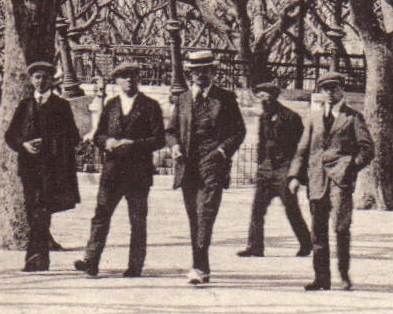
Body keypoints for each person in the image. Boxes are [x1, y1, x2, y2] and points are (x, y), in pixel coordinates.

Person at [75, 62, 165, 278]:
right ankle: (91, 261)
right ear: (116, 81)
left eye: (133, 76)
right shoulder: (111, 105)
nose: (129, 81)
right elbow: (98, 134)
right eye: (124, 77)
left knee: (137, 220)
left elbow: (159, 139)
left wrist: (134, 144)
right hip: (112, 171)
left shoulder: (150, 105)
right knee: (101, 215)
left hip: (138, 172)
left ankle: (135, 266)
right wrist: (107, 142)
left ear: (138, 79)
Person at [289, 72, 374, 291]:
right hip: (317, 180)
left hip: (340, 181)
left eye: (333, 88)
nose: (329, 93)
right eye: (325, 89)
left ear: (341, 90)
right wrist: (295, 176)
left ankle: (344, 275)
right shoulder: (314, 117)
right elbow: (302, 149)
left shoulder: (352, 117)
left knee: (340, 227)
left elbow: (367, 148)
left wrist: (350, 167)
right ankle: (321, 278)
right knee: (318, 230)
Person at [167, 50, 246, 285]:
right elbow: (171, 131)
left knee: (205, 214)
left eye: (205, 71)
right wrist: (174, 147)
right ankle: (202, 265)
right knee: (194, 216)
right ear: (190, 74)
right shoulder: (182, 99)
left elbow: (239, 131)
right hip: (188, 165)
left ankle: (199, 267)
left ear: (213, 72)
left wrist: (222, 151)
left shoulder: (226, 98)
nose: (200, 75)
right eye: (196, 71)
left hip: (213, 163)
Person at [3, 61, 82, 271]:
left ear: (52, 81)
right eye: (37, 77)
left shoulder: (61, 106)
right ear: (31, 80)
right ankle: (40, 257)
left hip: (51, 168)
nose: (41, 81)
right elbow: (10, 135)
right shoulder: (25, 105)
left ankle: (35, 258)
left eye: (45, 77)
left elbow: (73, 136)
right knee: (33, 210)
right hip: (29, 168)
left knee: (42, 211)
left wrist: (48, 142)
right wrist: (24, 144)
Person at [238, 80, 312, 259]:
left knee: (291, 208)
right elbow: (261, 142)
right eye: (260, 97)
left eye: (266, 96)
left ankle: (306, 243)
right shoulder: (264, 117)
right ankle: (255, 246)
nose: (263, 100)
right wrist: (260, 164)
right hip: (266, 169)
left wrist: (295, 174)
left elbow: (301, 147)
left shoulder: (291, 117)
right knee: (257, 209)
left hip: (284, 168)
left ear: (274, 97)